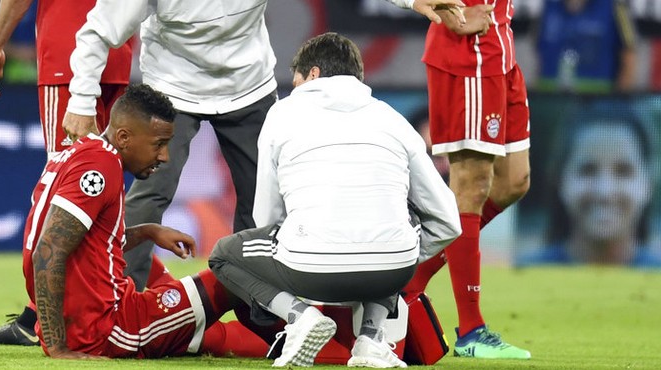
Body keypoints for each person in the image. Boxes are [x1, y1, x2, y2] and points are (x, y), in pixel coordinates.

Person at [209, 32, 462, 368]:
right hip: (390, 272)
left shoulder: (282, 113)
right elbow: (447, 220)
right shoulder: (393, 119)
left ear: (312, 74)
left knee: (223, 256)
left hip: (307, 270)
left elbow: (266, 215)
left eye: (295, 80)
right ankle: (372, 339)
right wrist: (402, 254)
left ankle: (301, 318)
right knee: (399, 228)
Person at [22, 83, 273, 359]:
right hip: (111, 328)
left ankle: (202, 334)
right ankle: (302, 335)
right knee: (234, 272)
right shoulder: (101, 167)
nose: (165, 156)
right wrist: (59, 349)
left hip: (91, 321)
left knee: (195, 325)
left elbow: (88, 243)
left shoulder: (80, 153)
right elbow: (47, 252)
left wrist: (148, 231)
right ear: (124, 137)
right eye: (159, 144)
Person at [62, 0, 278, 293]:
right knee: (151, 192)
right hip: (172, 86)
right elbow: (98, 29)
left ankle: (260, 304)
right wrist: (81, 100)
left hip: (249, 85)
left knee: (264, 199)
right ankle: (119, 298)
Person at [0, 0, 133, 346]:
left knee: (62, 187)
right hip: (118, 55)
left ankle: (41, 316)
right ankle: (101, 305)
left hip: (70, 57)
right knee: (101, 187)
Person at [396, 0, 533, 359]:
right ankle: (471, 330)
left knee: (513, 182)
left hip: (501, 52)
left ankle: (416, 273)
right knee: (470, 185)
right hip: (466, 59)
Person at [516, 108, 661, 267]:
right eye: (588, 170)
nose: (604, 191)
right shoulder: (526, 275)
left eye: (623, 171)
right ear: (560, 179)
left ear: (648, 181)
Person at [535, 0, 638, 93]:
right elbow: (538, 56)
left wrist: (619, 103)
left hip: (597, 103)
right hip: (550, 101)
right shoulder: (547, 7)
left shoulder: (614, 6)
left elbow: (628, 57)